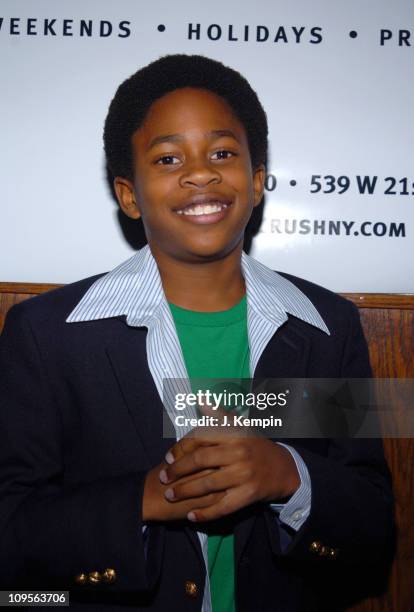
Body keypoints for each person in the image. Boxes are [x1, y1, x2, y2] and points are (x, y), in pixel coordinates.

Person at [0, 54, 394, 611]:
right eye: (167, 157)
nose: (200, 172)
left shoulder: (326, 328)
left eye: (223, 153)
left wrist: (288, 475)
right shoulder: (47, 336)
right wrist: (146, 498)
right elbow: (14, 536)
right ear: (129, 194)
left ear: (257, 182)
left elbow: (374, 532)